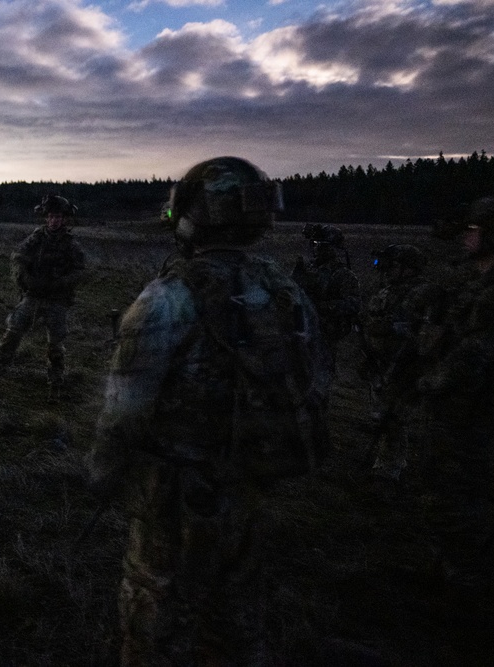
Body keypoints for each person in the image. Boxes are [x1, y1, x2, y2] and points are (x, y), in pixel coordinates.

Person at [87, 156, 332, 666]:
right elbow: (315, 379)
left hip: (173, 491)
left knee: (154, 614)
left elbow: (124, 412)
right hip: (247, 480)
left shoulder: (168, 296)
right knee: (236, 612)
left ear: (189, 215)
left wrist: (102, 478)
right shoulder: (287, 292)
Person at [418, 194, 494, 595]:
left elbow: (477, 353)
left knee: (465, 491)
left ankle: (466, 578)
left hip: (478, 412)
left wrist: (436, 381)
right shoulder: (476, 282)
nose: (466, 237)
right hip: (462, 409)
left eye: (474, 230)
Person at [0, 194, 88, 402]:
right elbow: (18, 257)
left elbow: (80, 271)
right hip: (33, 295)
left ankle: (55, 386)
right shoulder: (36, 238)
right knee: (12, 335)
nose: (54, 220)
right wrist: (24, 278)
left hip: (56, 299)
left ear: (64, 219)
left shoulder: (71, 245)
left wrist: (60, 284)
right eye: (51, 217)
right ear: (46, 218)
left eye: (58, 217)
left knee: (55, 346)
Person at [358, 244, 446, 481]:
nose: (386, 270)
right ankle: (385, 463)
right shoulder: (387, 290)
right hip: (381, 363)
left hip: (404, 367)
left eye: (393, 265)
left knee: (394, 419)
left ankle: (391, 469)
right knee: (381, 416)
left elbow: (427, 333)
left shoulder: (424, 293)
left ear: (408, 268)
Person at [291, 223, 361, 367]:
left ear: (332, 248)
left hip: (326, 333)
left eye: (320, 244)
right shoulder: (307, 269)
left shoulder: (342, 274)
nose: (316, 247)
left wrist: (324, 306)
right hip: (303, 331)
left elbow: (354, 304)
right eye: (314, 243)